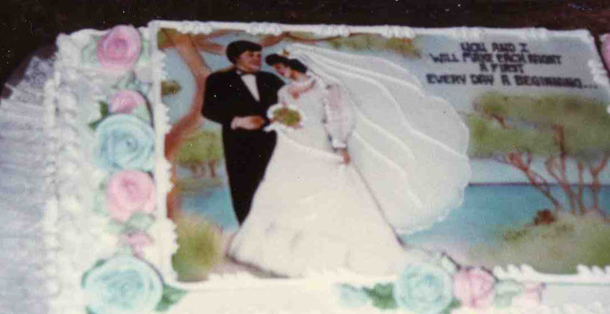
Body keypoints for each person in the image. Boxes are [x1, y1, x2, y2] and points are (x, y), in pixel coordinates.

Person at [227, 46, 471, 277]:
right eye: (277, 68)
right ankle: (272, 253)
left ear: (294, 64)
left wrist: (339, 143)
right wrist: (283, 121)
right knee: (279, 189)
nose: (280, 71)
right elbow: (283, 114)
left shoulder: (326, 88)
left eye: (281, 66)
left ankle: (333, 253)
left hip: (318, 145)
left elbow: (339, 117)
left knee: (331, 192)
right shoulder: (284, 92)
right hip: (289, 147)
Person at [201, 40, 285, 224]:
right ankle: (248, 233)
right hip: (239, 144)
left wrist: (275, 119)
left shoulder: (271, 80)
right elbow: (208, 109)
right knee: (244, 188)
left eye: (259, 55)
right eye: (250, 55)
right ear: (236, 57)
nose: (256, 59)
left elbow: (288, 106)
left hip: (274, 142)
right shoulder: (217, 80)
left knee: (275, 187)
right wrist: (238, 121)